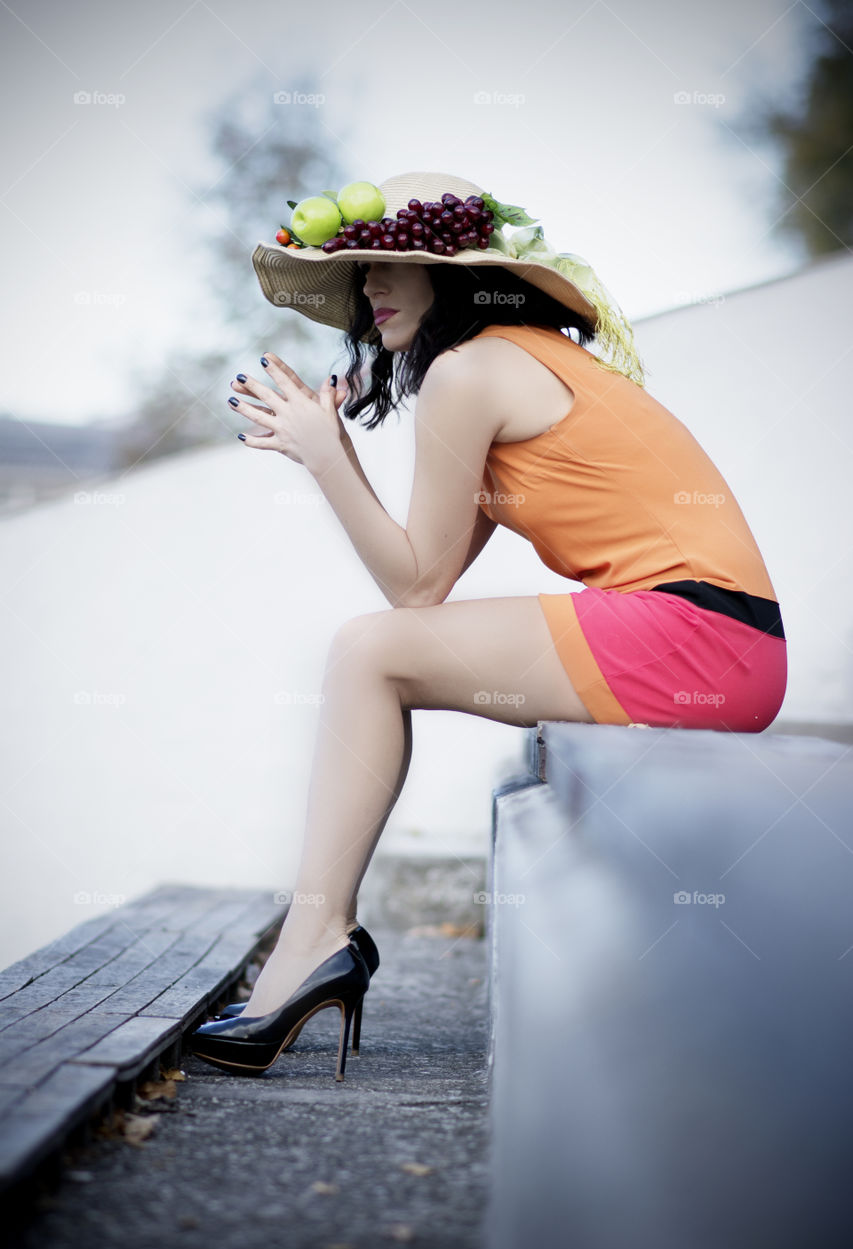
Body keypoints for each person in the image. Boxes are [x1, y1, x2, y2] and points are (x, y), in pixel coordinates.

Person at [189, 171, 787, 1079]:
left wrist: (323, 459)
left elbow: (412, 595)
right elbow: (417, 594)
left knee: (362, 652)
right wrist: (338, 451)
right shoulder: (504, 361)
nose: (370, 288)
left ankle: (314, 935)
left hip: (700, 633)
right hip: (712, 634)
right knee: (370, 651)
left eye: (394, 265)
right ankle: (313, 937)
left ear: (454, 272)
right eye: (358, 273)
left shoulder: (472, 372)